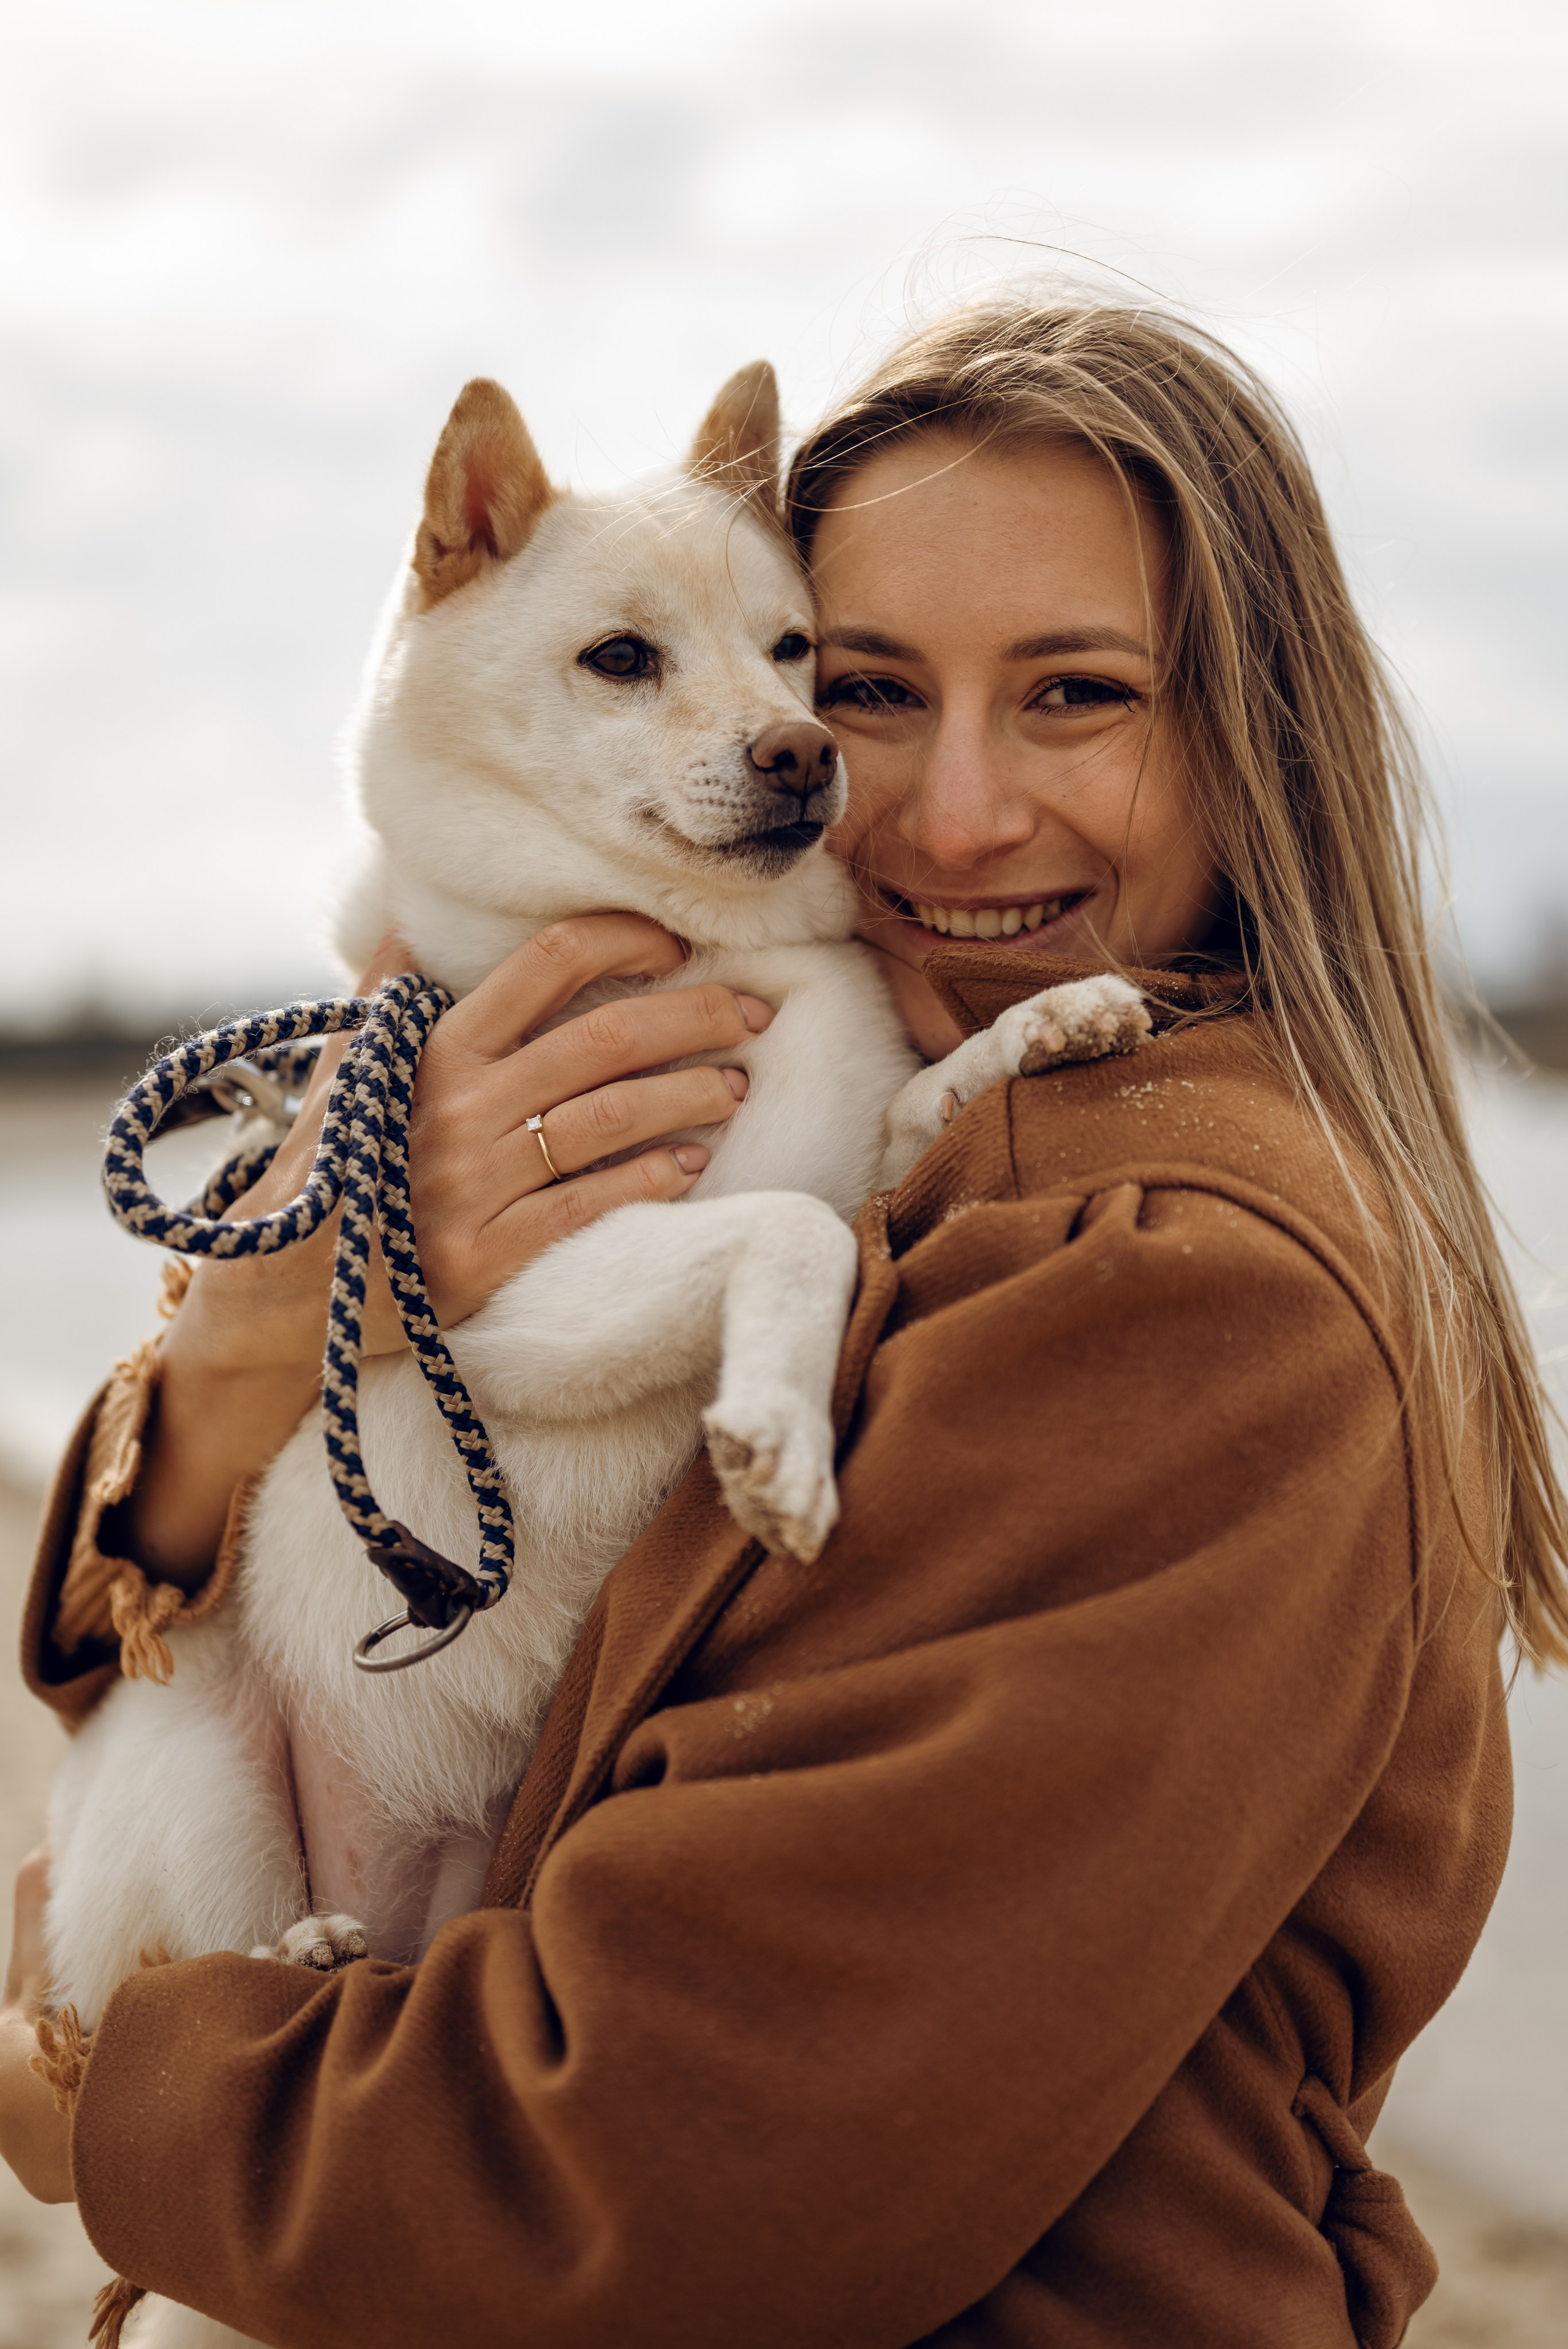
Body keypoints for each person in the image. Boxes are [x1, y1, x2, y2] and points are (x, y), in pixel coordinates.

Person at [2, 298, 1561, 2348]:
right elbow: (193, 1595)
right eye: (872, 688)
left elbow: (667, 2161)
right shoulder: (927, 1115)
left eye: (1078, 695)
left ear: (1255, 739)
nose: (939, 814)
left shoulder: (1180, 1284)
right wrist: (255, 1337)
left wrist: (109, 2104)